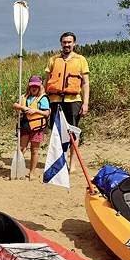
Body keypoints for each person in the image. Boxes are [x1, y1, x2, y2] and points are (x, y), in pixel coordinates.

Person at [44, 31, 90, 172]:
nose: (67, 45)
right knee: (56, 132)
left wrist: (85, 103)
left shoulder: (80, 60)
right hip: (55, 100)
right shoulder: (53, 60)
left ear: (74, 43)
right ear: (61, 43)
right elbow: (46, 81)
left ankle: (73, 164)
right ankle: (59, 161)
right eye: (64, 42)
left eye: (69, 42)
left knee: (73, 133)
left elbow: (85, 83)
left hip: (73, 100)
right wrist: (44, 100)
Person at [12, 75, 50, 180]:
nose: (34, 88)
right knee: (21, 149)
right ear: (29, 86)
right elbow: (15, 105)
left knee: (35, 150)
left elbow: (47, 113)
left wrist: (36, 111)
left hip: (37, 129)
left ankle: (32, 172)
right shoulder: (24, 97)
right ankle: (18, 170)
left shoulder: (43, 98)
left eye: (36, 86)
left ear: (40, 87)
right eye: (32, 86)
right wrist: (22, 107)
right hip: (25, 126)